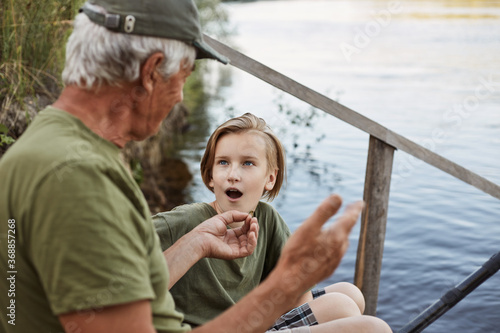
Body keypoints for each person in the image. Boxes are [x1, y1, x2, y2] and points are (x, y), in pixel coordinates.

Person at [0, 0, 392, 332]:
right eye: (184, 77)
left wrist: (196, 243)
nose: (181, 95)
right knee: (372, 329)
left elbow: (115, 291)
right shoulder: (78, 178)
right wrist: (286, 285)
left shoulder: (48, 145)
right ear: (152, 72)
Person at [154, 113, 368, 331]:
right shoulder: (185, 220)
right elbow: (125, 248)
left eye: (247, 163)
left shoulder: (267, 218)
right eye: (223, 163)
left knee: (351, 294)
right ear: (210, 175)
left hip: (247, 320)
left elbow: (298, 296)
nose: (233, 174)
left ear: (270, 178)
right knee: (352, 314)